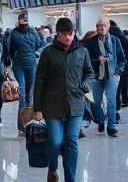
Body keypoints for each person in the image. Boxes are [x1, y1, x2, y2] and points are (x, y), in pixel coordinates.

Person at [33, 17, 94, 182]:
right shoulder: (48, 53)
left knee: (71, 142)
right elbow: (39, 80)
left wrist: (86, 83)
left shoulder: (82, 52)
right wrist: (37, 108)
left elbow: (89, 72)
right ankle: (52, 168)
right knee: (54, 141)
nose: (67, 37)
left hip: (75, 104)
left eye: (70, 33)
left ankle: (71, 179)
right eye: (63, 34)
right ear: (57, 34)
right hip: (52, 105)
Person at [80, 17, 125, 137]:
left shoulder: (115, 41)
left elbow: (122, 58)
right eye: (99, 25)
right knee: (95, 101)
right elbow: (86, 60)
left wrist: (118, 72)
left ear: (108, 26)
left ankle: (111, 126)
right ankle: (100, 120)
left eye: (104, 25)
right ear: (96, 27)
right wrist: (96, 60)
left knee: (111, 100)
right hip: (96, 75)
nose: (102, 27)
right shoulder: (90, 43)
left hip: (112, 74)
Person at [7, 11, 44, 135]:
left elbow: (11, 50)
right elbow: (40, 45)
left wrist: (13, 59)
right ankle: (25, 124)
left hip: (23, 63)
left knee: (27, 95)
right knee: (25, 95)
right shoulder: (33, 32)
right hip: (27, 64)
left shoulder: (15, 33)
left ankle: (25, 124)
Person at [109, 20, 128, 108]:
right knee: (124, 83)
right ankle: (125, 100)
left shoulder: (113, 37)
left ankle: (118, 103)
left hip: (118, 64)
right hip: (125, 63)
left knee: (117, 85)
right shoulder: (123, 36)